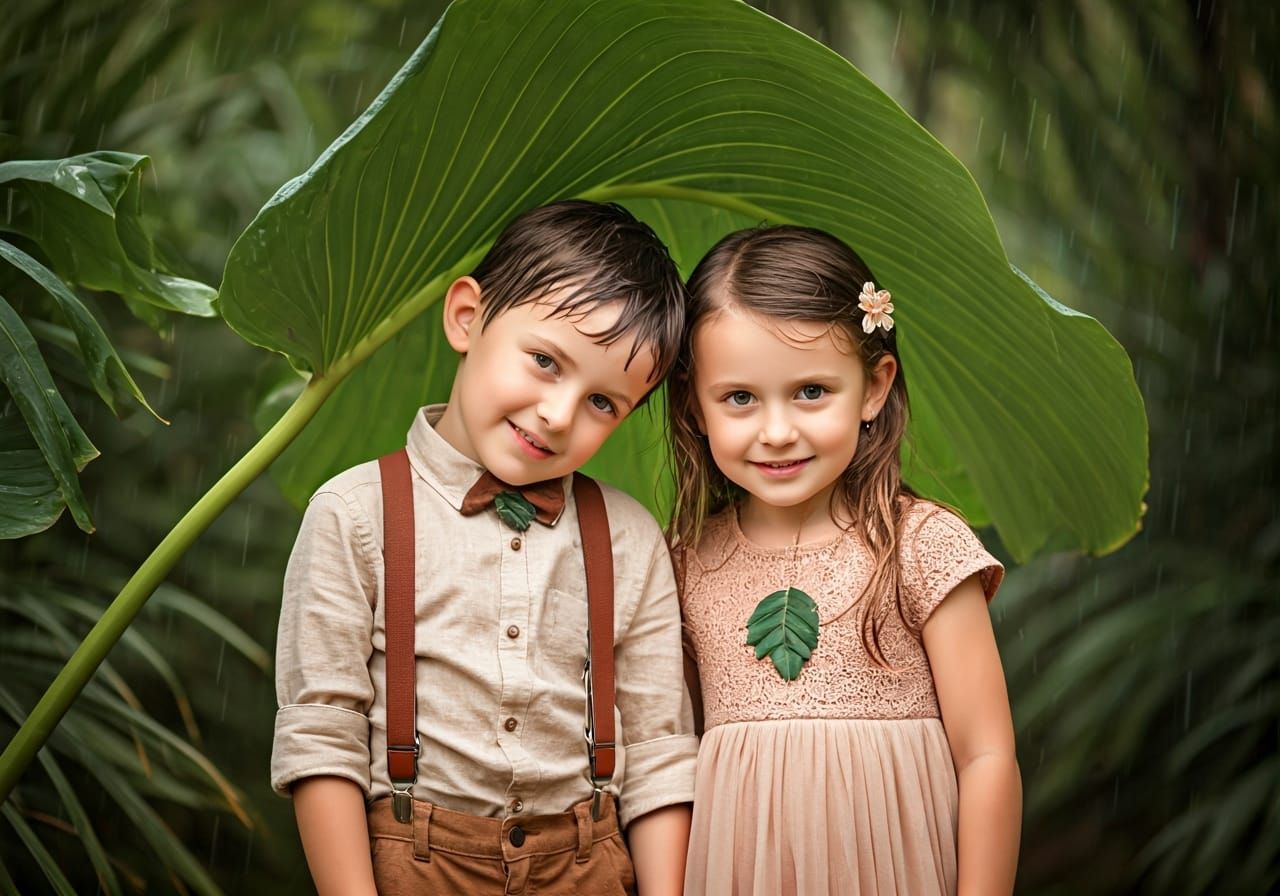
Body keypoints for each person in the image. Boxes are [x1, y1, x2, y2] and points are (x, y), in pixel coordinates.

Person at [271, 200, 697, 896]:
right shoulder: (355, 514)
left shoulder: (629, 539)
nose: (558, 414)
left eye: (603, 404)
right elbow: (323, 735)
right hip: (412, 863)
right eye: (544, 361)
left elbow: (658, 752)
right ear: (468, 316)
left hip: (587, 865)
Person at [668, 225, 1022, 895]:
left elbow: (986, 756)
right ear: (695, 404)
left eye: (810, 392)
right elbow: (668, 761)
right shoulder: (684, 564)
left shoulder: (920, 545)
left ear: (873, 386)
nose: (777, 431)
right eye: (740, 398)